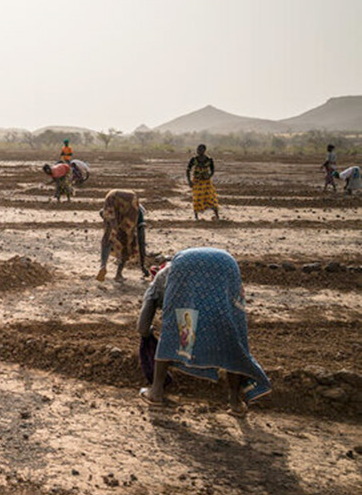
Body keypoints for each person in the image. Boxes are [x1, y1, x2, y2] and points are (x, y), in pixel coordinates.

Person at [137, 247, 271, 416]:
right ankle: (236, 402)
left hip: (189, 267)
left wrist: (147, 335)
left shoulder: (159, 281)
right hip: (227, 264)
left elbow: (142, 325)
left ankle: (156, 393)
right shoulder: (174, 275)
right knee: (232, 339)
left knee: (170, 333)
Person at [97, 190, 148, 282]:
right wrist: (143, 266)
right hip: (128, 198)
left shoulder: (134, 206)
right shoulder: (137, 212)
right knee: (127, 241)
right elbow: (141, 240)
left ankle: (103, 266)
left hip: (111, 195)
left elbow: (102, 212)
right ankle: (118, 274)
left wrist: (111, 223)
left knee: (108, 236)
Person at [186, 144, 220, 220]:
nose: (198, 151)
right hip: (197, 181)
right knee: (196, 198)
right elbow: (188, 170)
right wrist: (189, 181)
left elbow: (212, 170)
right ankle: (196, 217)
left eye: (200, 150)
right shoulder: (194, 159)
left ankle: (217, 216)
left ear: (204, 150)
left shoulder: (209, 160)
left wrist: (209, 176)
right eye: (198, 149)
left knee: (211, 198)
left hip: (206, 182)